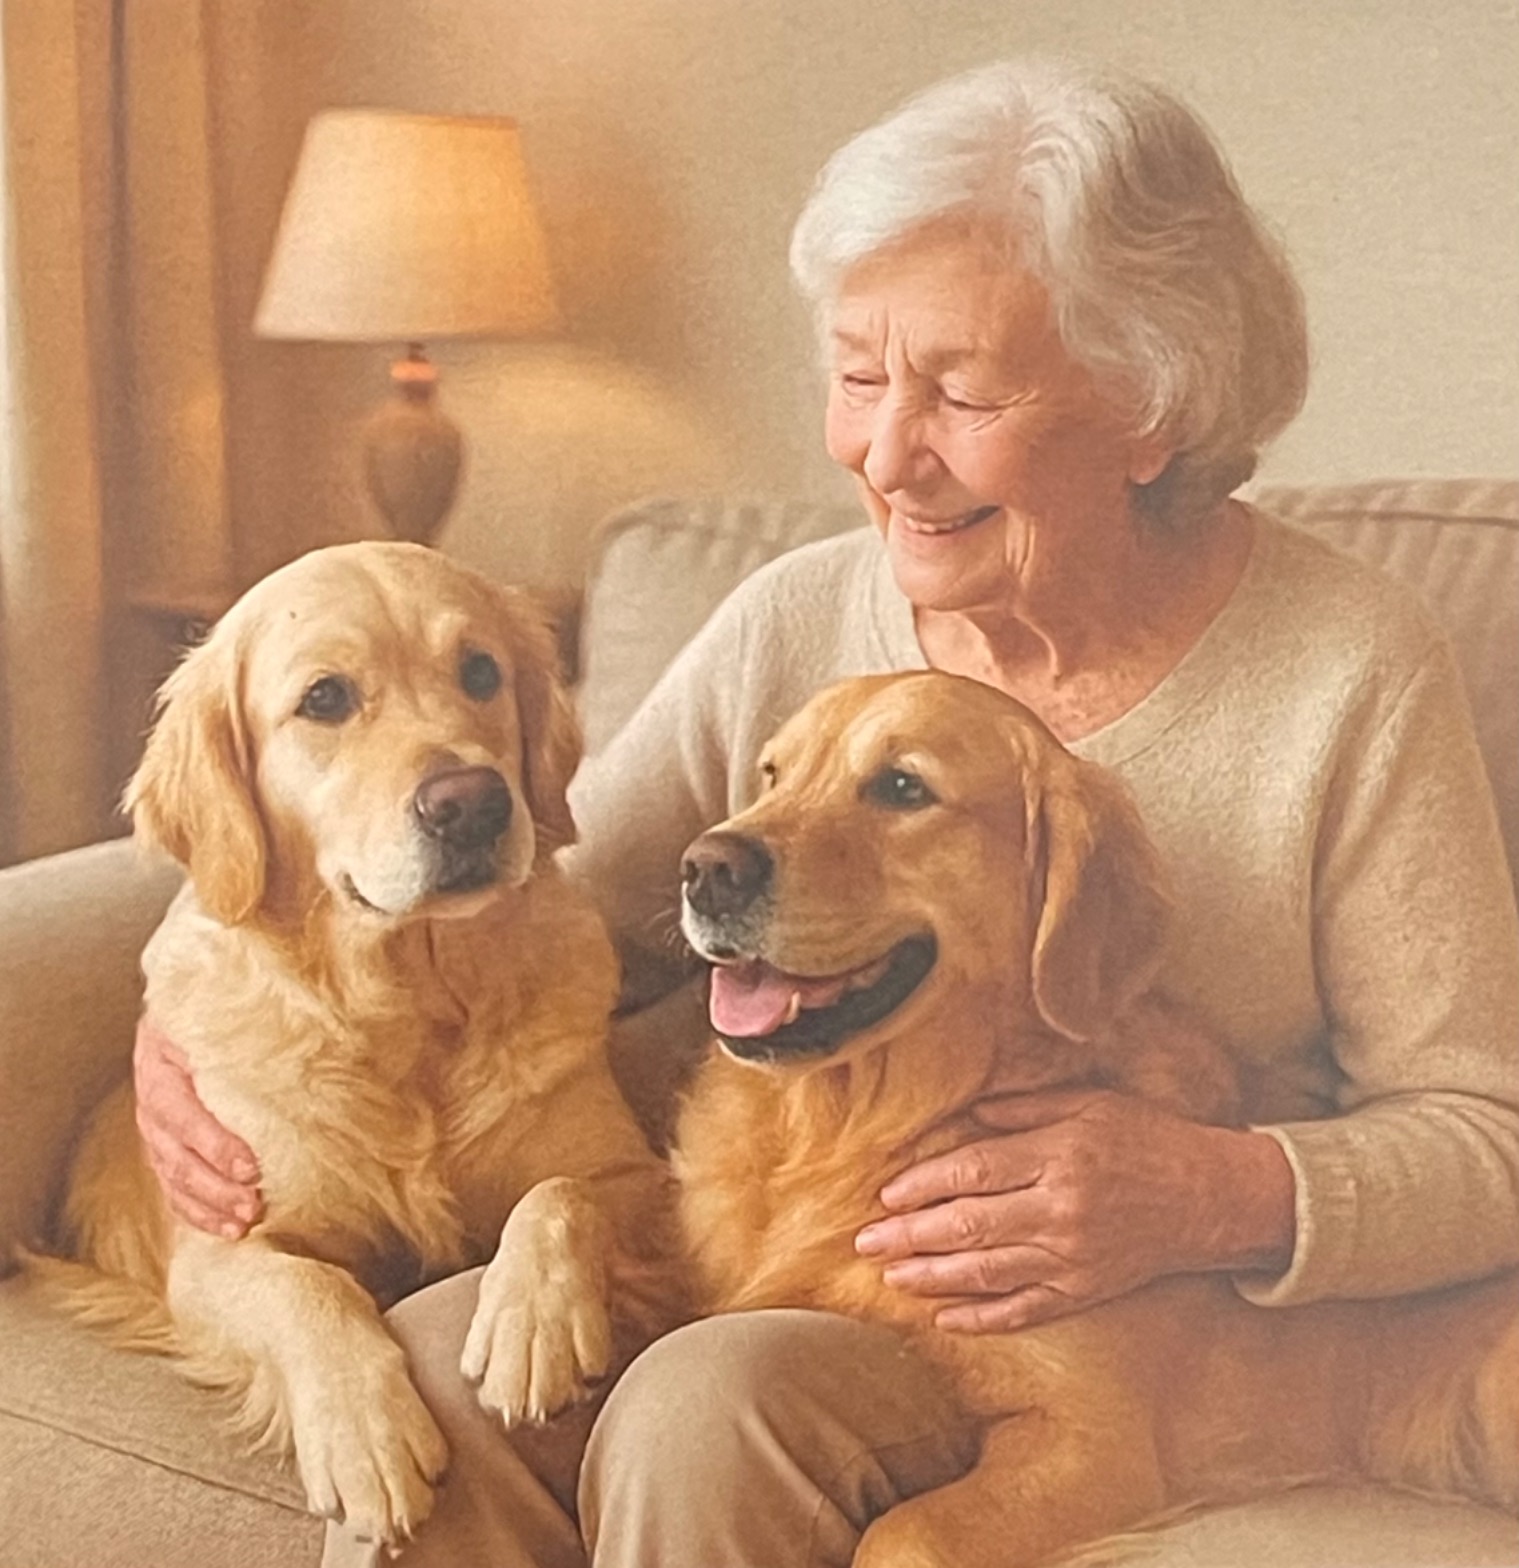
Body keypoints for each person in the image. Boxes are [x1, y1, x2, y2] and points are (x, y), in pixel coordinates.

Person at [133, 57, 1519, 1567]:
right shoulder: (798, 612)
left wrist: (1211, 1189)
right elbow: (534, 887)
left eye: (963, 391)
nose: (882, 449)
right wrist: (191, 1001)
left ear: (1149, 410)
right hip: (761, 1224)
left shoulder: (1351, 669)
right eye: (859, 375)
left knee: (708, 1405)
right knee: (446, 1371)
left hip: (1058, 1317)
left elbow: (1489, 1135)